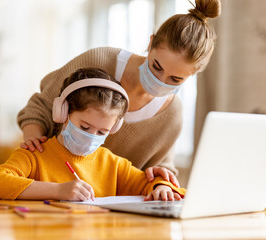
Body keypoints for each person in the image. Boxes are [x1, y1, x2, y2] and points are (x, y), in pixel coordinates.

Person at [17, 0, 221, 186]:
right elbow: (39, 107)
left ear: (193, 75)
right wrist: (35, 155)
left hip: (109, 210)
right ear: (150, 44)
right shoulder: (100, 60)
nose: (160, 80)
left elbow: (163, 167)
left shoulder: (172, 114)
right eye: (156, 66)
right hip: (46, 186)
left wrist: (160, 181)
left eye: (175, 79)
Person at [0, 68, 186, 201]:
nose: (91, 136)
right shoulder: (34, 155)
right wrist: (58, 191)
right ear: (63, 113)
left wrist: (161, 186)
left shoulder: (113, 165)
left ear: (114, 128)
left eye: (102, 131)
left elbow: (150, 184)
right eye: (85, 127)